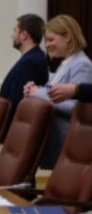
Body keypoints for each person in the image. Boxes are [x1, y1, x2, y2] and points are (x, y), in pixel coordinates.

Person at [23, 14, 92, 168]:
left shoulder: (82, 64)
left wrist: (37, 93)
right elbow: (53, 92)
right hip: (54, 137)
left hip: (67, 140)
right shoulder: (66, 63)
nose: (47, 45)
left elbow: (75, 107)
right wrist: (36, 89)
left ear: (67, 37)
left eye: (51, 39)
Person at [0, 14, 48, 111]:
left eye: (15, 30)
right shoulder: (31, 58)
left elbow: (16, 98)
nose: (12, 35)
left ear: (24, 35)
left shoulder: (30, 62)